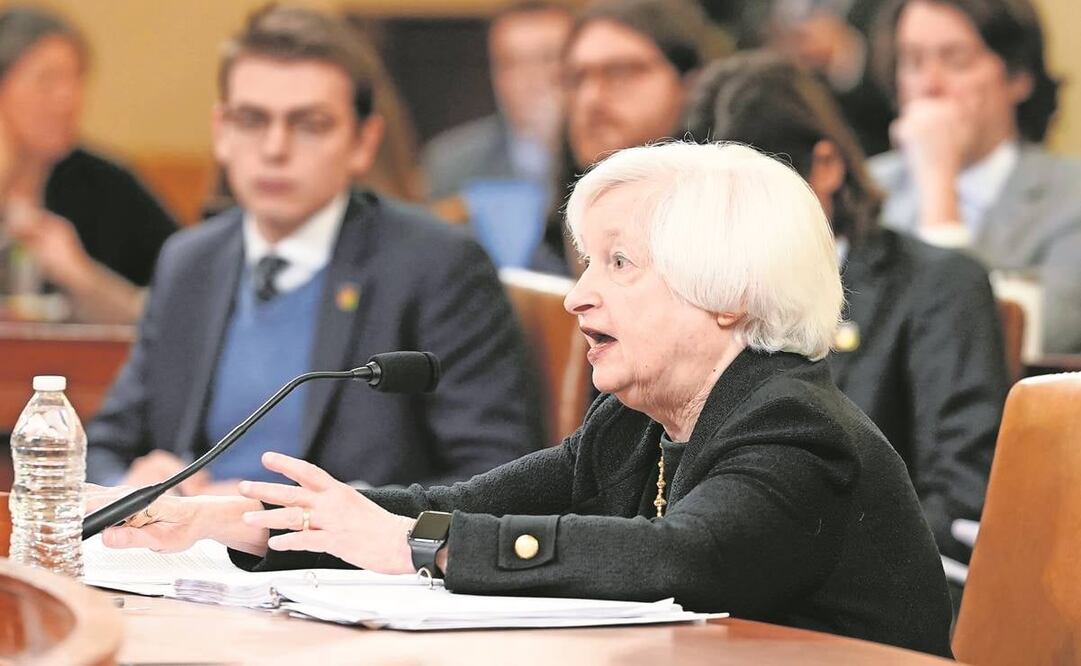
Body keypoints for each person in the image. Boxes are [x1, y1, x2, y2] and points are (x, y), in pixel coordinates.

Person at [96, 142, 954, 657]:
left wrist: (418, 546)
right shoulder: (632, 426)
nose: (578, 296)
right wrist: (235, 522)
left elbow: (681, 560)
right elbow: (455, 507)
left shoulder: (791, 422)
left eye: (617, 264)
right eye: (585, 264)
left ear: (726, 291)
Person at [85, 7, 544, 495]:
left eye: (309, 124)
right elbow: (106, 445)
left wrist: (289, 515)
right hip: (180, 555)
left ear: (363, 141)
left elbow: (497, 475)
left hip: (332, 564)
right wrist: (130, 484)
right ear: (221, 132)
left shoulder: (437, 267)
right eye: (252, 120)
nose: (275, 148)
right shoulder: (190, 262)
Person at [683, 52, 1009, 568]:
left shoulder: (936, 285)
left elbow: (961, 498)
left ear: (827, 167)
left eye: (754, 203)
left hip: (873, 591)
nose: (732, 230)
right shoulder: (688, 294)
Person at [869, 0, 1081, 353]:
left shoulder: (1071, 197)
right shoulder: (864, 186)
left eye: (955, 60)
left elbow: (1045, 331)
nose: (930, 84)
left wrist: (939, 183)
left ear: (1018, 78)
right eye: (913, 61)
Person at [0, 7, 177, 323]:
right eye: (47, 80)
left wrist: (82, 276)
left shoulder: (109, 185)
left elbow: (185, 304)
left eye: (76, 79)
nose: (68, 98)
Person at [531, 0, 723, 275]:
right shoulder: (553, 242)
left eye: (620, 72)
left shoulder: (729, 233)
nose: (591, 99)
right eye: (576, 79)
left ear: (690, 85)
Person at [422, 1, 572, 201]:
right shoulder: (452, 163)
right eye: (511, 63)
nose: (531, 79)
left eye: (547, 59)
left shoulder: (609, 150)